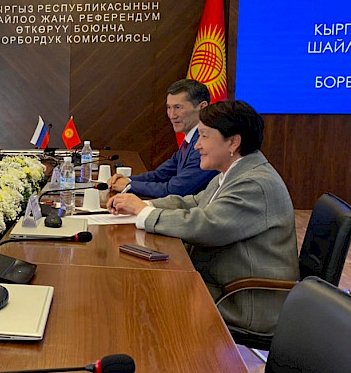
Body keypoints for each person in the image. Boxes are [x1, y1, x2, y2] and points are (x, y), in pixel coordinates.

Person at [108, 100, 299, 334]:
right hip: (222, 283)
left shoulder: (253, 183)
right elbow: (195, 202)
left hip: (243, 301)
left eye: (204, 136)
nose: (197, 145)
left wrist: (145, 214)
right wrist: (142, 205)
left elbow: (207, 226)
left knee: (144, 299)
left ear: (233, 142)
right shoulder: (235, 172)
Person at [109, 79, 217, 197]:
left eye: (178, 107)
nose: (172, 115)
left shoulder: (206, 144)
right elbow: (161, 174)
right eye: (169, 107)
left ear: (202, 107)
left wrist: (129, 186)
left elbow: (176, 189)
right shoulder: (190, 140)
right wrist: (127, 180)